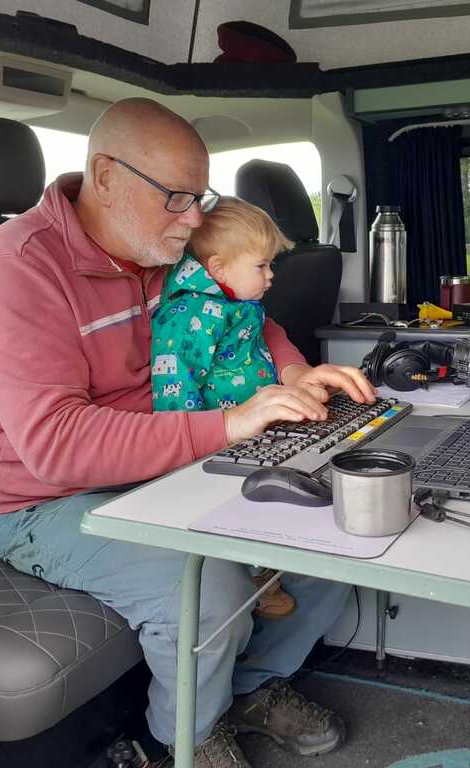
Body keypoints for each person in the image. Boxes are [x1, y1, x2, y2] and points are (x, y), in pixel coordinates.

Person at [0, 97, 376, 768]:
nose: (194, 218)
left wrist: (295, 372)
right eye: (176, 198)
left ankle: (247, 689)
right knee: (206, 591)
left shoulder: (163, 248)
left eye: (200, 197)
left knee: (333, 530)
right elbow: (56, 445)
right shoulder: (19, 268)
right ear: (106, 177)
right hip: (49, 504)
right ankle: (182, 739)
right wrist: (230, 425)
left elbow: (247, 320)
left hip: (169, 471)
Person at [151, 196, 298, 620]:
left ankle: (265, 568)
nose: (270, 276)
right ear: (217, 268)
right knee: (237, 502)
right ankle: (255, 575)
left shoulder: (235, 304)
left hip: (252, 427)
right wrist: (196, 448)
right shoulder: (190, 315)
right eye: (261, 266)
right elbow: (176, 383)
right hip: (217, 439)